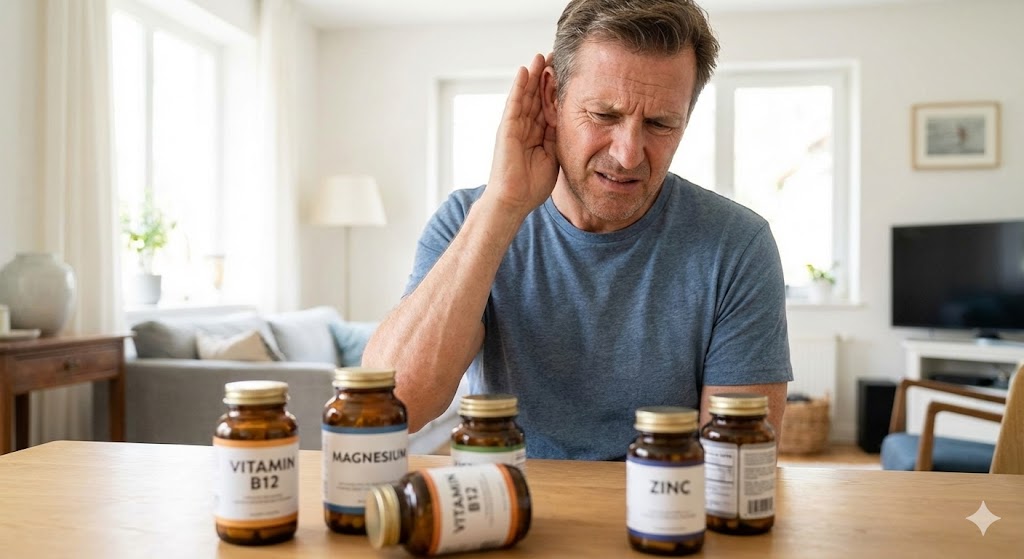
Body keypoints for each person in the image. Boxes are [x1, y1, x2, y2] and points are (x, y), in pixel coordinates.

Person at [363, 0, 792, 460]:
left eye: (660, 123)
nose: (629, 154)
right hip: (506, 507)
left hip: (665, 514)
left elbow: (737, 465)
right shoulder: (468, 220)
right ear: (552, 98)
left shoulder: (737, 245)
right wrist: (503, 206)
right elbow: (396, 405)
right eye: (604, 115)